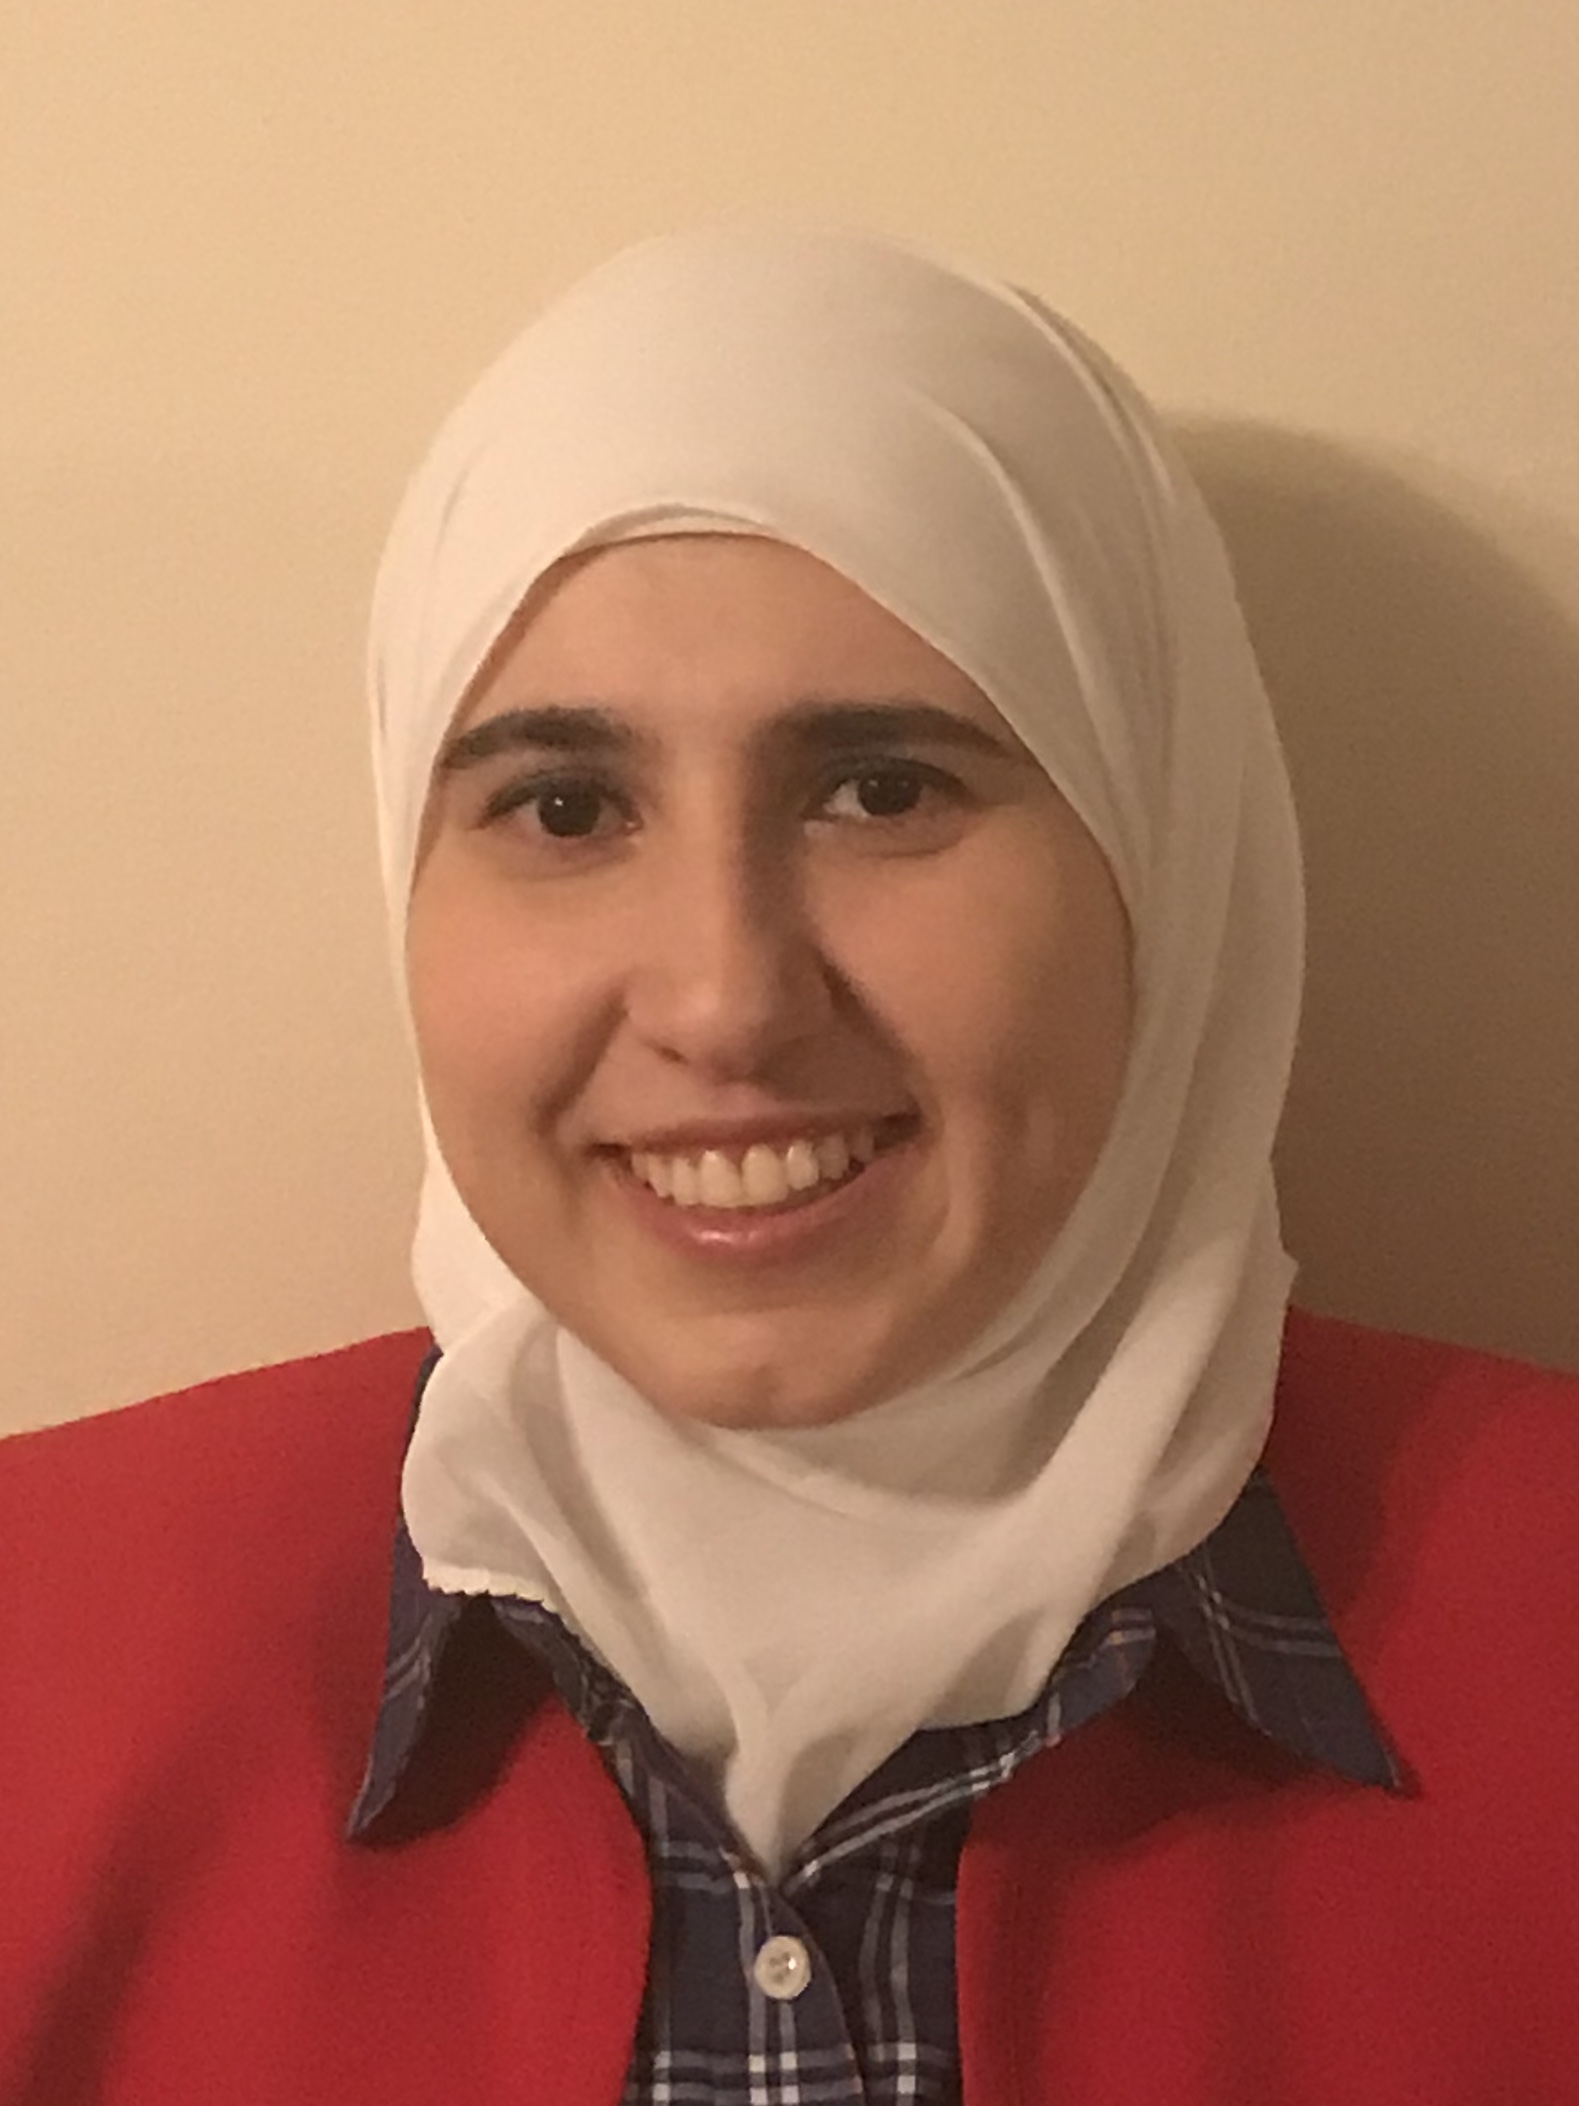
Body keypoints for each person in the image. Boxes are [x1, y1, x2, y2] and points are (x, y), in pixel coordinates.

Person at [2, 225, 1576, 2106]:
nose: (728, 997)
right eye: (565, 807)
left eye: (884, 787)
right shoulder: (37, 1662)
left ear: (1167, 851)